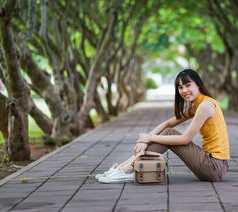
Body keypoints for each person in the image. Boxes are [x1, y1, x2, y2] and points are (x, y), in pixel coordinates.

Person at [96, 69, 230, 183]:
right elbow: (168, 123)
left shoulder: (205, 106)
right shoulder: (198, 105)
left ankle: (125, 170)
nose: (184, 90)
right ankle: (122, 169)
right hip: (213, 165)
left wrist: (150, 138)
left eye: (188, 85)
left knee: (169, 133)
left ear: (199, 85)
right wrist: (146, 138)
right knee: (168, 130)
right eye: (180, 87)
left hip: (214, 166)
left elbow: (185, 139)